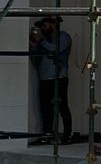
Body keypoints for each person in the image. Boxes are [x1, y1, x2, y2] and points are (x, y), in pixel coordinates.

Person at [29, 14, 74, 144]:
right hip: (44, 79)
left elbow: (55, 50)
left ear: (53, 24)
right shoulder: (43, 41)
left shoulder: (64, 37)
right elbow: (35, 61)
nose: (43, 28)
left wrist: (41, 40)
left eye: (45, 25)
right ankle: (47, 134)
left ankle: (67, 134)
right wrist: (33, 45)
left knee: (62, 106)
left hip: (58, 78)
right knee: (45, 108)